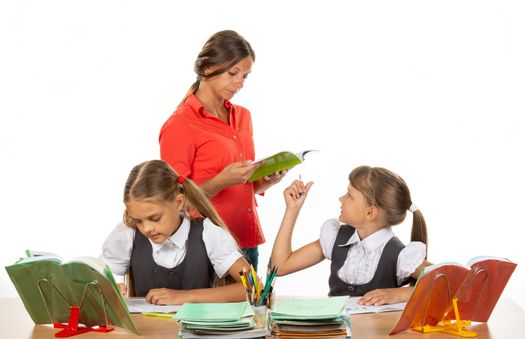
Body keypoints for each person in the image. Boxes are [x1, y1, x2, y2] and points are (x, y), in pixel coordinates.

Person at [159, 30, 285, 272]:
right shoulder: (180, 124)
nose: (240, 82)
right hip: (207, 247)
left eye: (245, 76)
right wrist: (221, 180)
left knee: (250, 309)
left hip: (246, 242)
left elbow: (243, 185)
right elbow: (174, 202)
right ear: (207, 68)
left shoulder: (243, 116)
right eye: (233, 73)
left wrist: (266, 181)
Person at [270, 165, 431, 305]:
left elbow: (451, 284)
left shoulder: (400, 256)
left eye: (349, 195)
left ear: (370, 212)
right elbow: (280, 266)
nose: (341, 199)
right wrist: (292, 209)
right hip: (335, 335)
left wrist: (400, 294)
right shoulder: (336, 238)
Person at [100, 160, 254, 305]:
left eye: (155, 218)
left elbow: (255, 288)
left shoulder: (209, 234)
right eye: (138, 221)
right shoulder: (128, 232)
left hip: (197, 332)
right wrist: (106, 290)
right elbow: (90, 282)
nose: (146, 229)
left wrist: (185, 297)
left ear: (178, 203)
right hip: (146, 331)